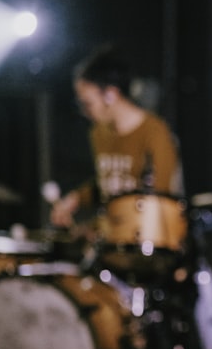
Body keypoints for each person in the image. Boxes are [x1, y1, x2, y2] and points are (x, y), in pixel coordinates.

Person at [50, 43, 184, 230]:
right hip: (111, 239)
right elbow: (110, 182)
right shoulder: (98, 133)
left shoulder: (155, 132)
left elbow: (160, 199)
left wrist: (97, 228)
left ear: (111, 94)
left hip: (146, 238)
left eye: (88, 104)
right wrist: (75, 199)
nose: (85, 112)